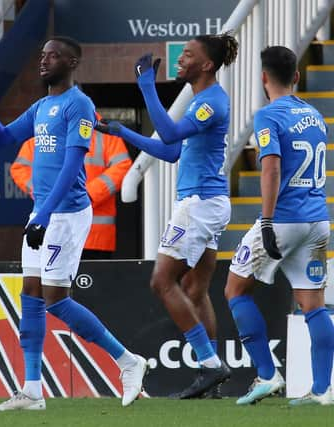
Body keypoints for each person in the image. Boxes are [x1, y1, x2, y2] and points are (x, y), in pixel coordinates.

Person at [0, 36, 148, 410]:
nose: (44, 61)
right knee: (31, 294)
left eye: (54, 56)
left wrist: (45, 216)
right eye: (43, 55)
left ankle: (128, 361)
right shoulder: (42, 106)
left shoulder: (79, 105)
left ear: (73, 63)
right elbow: (2, 140)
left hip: (65, 214)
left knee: (54, 299)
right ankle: (32, 389)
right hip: (45, 213)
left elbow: (71, 166)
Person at [96, 32, 238, 398]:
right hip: (209, 204)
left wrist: (146, 87)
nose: (179, 59)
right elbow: (173, 151)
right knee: (195, 288)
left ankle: (209, 366)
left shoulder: (210, 102)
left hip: (198, 204)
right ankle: (213, 379)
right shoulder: (202, 101)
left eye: (187, 55)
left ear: (206, 64)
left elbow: (172, 130)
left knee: (162, 281)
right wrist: (124, 131)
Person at [225, 46, 334, 406]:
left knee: (235, 290)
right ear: (298, 77)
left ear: (263, 78)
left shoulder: (268, 115)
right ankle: (323, 390)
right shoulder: (316, 116)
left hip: (284, 219)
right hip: (317, 220)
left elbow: (270, 167)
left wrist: (267, 221)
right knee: (313, 306)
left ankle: (267, 375)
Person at [10, 117, 132, 259]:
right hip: (53, 229)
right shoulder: (45, 128)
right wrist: (45, 193)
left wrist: (89, 195)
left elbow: (122, 165)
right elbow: (20, 168)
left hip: (93, 237)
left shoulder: (102, 130)